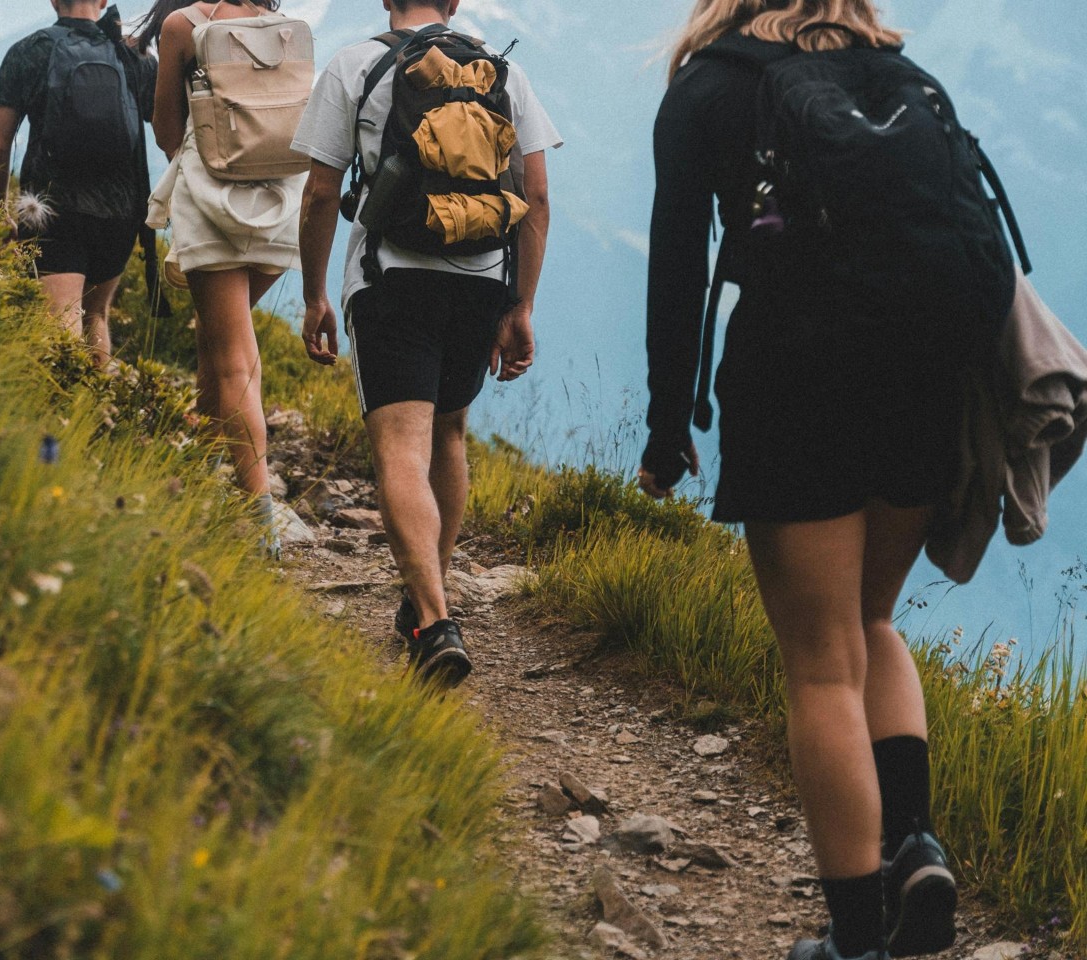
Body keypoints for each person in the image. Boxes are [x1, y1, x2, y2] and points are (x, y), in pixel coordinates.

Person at [639, 2, 968, 959]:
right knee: (873, 619)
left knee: (821, 662)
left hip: (794, 375)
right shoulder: (899, 77)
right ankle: (914, 846)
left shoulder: (710, 84)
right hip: (925, 376)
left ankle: (855, 939)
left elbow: (677, 264)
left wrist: (669, 423)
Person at [292, 0, 560, 686]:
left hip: (391, 279)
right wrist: (522, 304)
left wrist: (316, 295)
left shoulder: (357, 63)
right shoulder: (501, 71)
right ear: (455, 1)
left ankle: (435, 620)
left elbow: (321, 192)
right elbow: (535, 195)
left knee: (400, 450)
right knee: (449, 436)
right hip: (481, 280)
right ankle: (424, 598)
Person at [140, 0, 303, 556]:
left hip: (213, 203)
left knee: (232, 356)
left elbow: (165, 124)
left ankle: (261, 521)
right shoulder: (286, 29)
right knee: (217, 340)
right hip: (281, 201)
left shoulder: (183, 25)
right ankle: (206, 467)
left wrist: (203, 157)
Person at [0, 0, 157, 367]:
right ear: (102, 1)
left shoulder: (30, 50)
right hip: (120, 213)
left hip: (52, 210)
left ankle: (62, 402)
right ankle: (98, 399)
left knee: (60, 321)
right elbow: (171, 129)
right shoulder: (134, 55)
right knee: (96, 315)